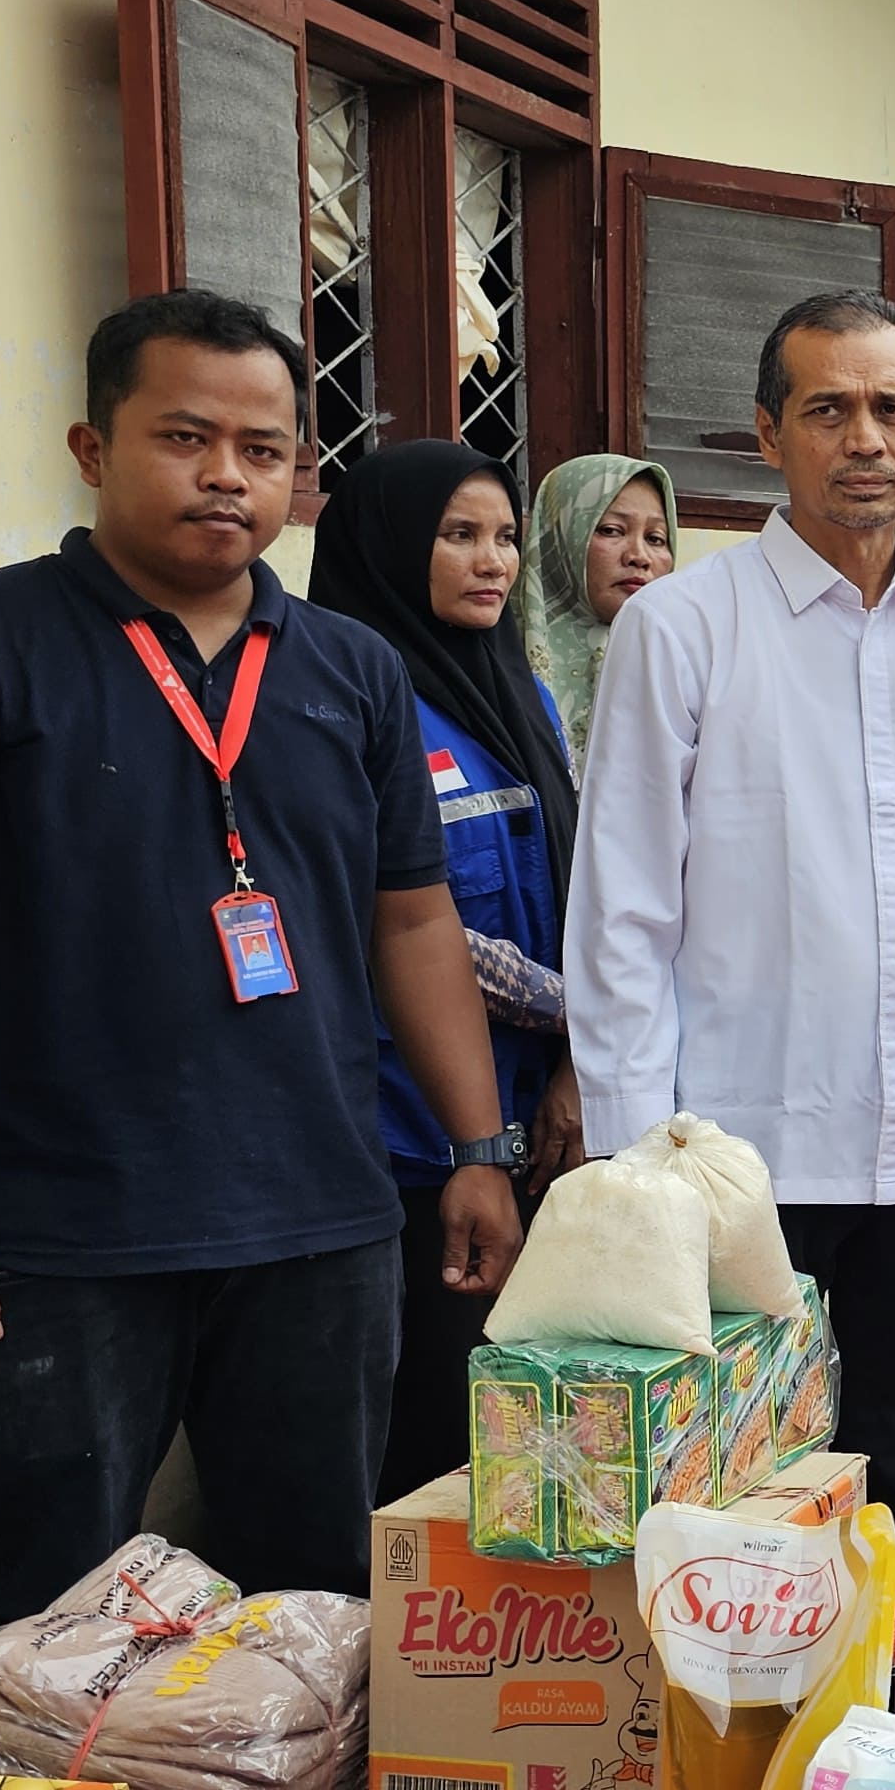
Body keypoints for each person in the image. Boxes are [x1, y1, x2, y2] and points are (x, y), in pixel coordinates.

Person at [0, 290, 523, 1640]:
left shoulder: (355, 672)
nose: (226, 477)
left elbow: (414, 924)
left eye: (264, 451)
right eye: (185, 437)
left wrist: (478, 1145)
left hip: (322, 1221)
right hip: (53, 1237)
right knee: (46, 1621)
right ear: (93, 448)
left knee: (310, 1612)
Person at [570, 291, 895, 1588]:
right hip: (739, 1154)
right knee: (736, 1480)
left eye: (891, 408)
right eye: (828, 409)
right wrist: (640, 1161)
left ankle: (884, 1743)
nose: (864, 438)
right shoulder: (681, 630)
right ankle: (744, 1751)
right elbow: (622, 907)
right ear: (767, 432)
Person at [307, 441, 584, 1500]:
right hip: (400, 1131)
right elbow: (394, 923)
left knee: (516, 1422)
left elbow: (579, 895)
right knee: (418, 1421)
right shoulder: (345, 703)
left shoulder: (524, 701)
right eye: (458, 535)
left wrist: (574, 1062)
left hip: (532, 1121)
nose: (493, 562)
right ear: (385, 549)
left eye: (505, 536)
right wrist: (579, 1014)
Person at [521, 454, 677, 777]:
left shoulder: (690, 666)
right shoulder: (501, 665)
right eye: (611, 530)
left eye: (656, 538)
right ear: (561, 535)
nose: (639, 556)